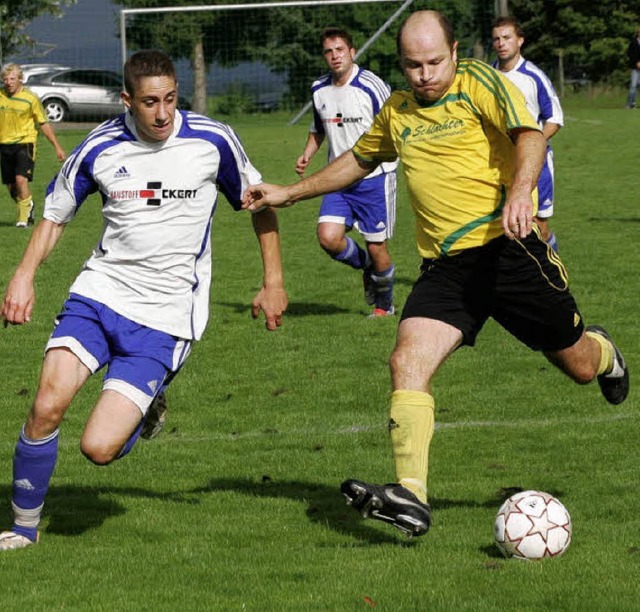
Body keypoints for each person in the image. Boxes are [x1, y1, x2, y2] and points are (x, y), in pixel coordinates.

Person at [243, 10, 629, 537]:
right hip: (446, 267)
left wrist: (520, 192)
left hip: (508, 252)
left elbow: (530, 136)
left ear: (454, 51)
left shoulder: (480, 82)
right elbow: (359, 157)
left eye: (433, 62)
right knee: (406, 360)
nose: (423, 75)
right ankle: (412, 496)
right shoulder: (398, 109)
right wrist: (290, 192)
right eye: (412, 65)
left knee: (580, 364)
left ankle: (606, 353)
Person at [0, 49, 288, 550]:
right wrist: (23, 276)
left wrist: (274, 281)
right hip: (99, 295)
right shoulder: (102, 145)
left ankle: (146, 406)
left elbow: (259, 202)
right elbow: (55, 217)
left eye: (170, 100)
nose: (162, 113)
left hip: (166, 316)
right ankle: (24, 530)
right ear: (127, 100)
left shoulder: (211, 140)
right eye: (150, 102)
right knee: (46, 404)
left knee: (99, 448)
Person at [296, 27, 398, 317]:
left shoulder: (371, 85)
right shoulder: (319, 89)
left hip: (375, 178)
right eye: (328, 52)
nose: (334, 56)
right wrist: (307, 154)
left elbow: (393, 124)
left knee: (378, 248)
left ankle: (384, 306)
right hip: (338, 178)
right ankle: (366, 267)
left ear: (352, 52)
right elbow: (318, 129)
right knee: (328, 237)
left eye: (340, 50)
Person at [491, 16, 563, 252]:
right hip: (498, 162)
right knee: (501, 223)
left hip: (535, 163)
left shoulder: (533, 76)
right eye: (496, 39)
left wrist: (532, 146)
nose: (501, 43)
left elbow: (554, 118)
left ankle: (552, 267)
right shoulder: (488, 75)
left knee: (538, 222)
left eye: (507, 38)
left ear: (520, 41)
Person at [0, 63, 66, 227]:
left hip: (25, 143)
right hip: (4, 144)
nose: (8, 82)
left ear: (20, 79)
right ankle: (27, 204)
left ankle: (23, 219)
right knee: (11, 186)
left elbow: (43, 123)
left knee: (21, 180)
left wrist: (57, 146)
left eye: (12, 79)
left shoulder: (31, 98)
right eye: (5, 79)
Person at [626, 25, 640, 109]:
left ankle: (633, 102)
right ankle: (630, 103)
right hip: (635, 68)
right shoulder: (633, 42)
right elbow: (630, 54)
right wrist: (636, 62)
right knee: (633, 85)